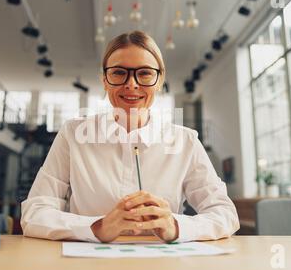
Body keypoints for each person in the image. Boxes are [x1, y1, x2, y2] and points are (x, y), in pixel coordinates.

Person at [21, 31, 239, 243]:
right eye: (118, 72)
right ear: (105, 80)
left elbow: (224, 213)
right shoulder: (73, 134)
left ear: (159, 80)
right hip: (87, 267)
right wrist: (97, 227)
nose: (132, 84)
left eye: (144, 73)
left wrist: (175, 226)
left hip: (163, 268)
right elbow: (35, 213)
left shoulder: (186, 142)